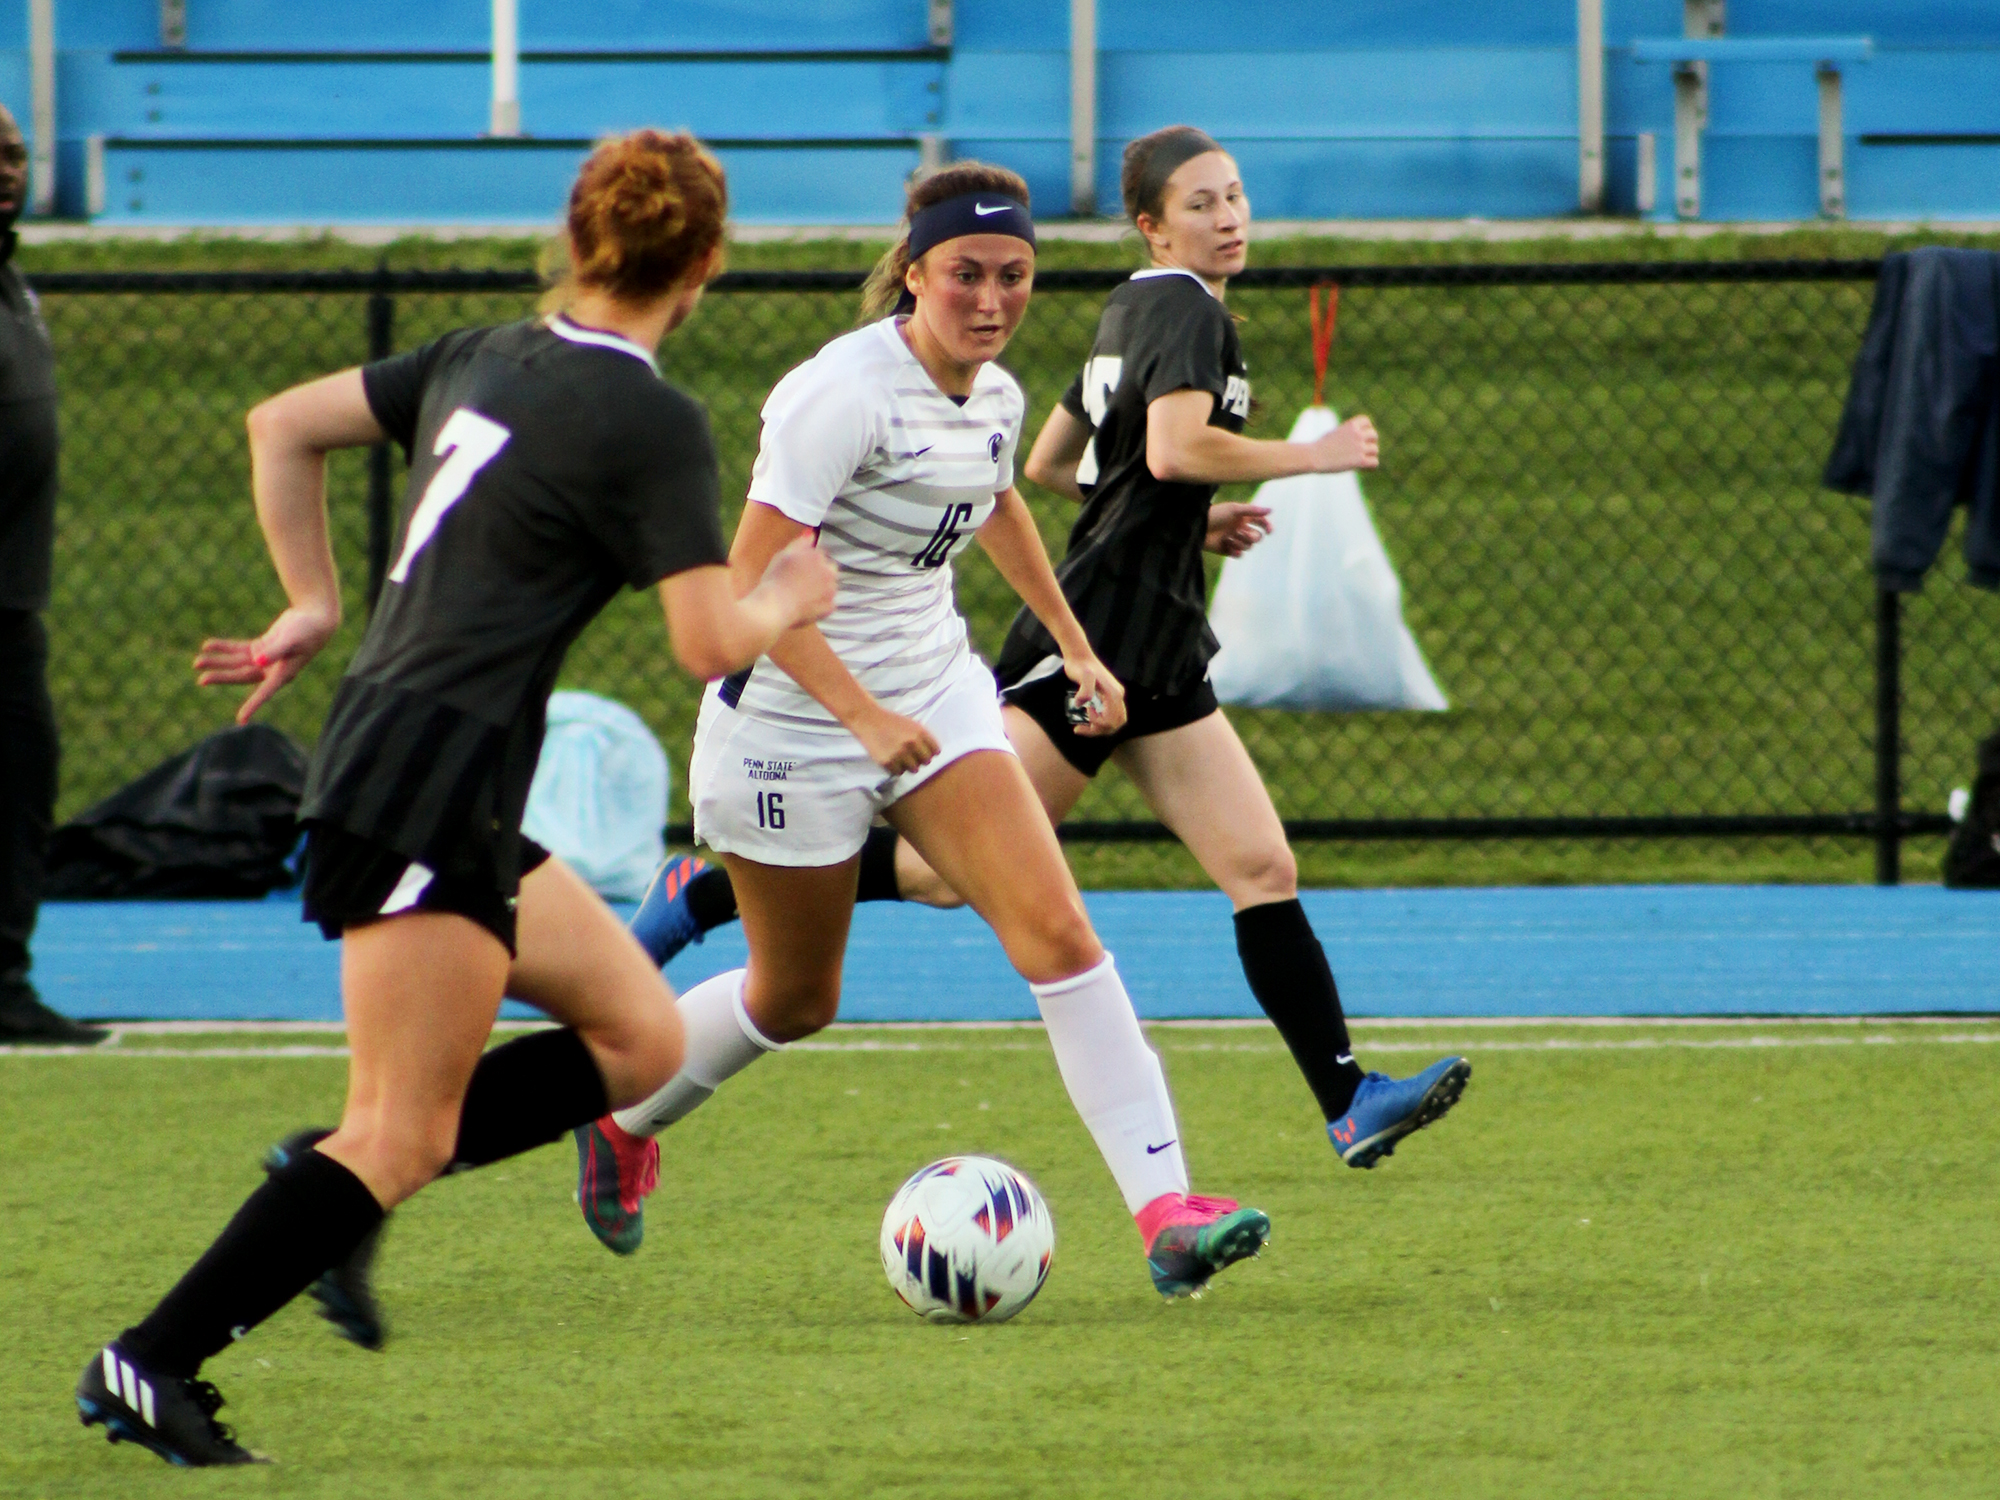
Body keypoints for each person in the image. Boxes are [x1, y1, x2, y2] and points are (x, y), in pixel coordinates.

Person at [75, 129, 837, 1467]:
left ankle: (333, 1171)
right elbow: (712, 642)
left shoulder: (485, 350)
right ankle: (149, 1360)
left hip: (442, 773)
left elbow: (281, 425)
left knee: (643, 1041)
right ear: (706, 265)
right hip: (421, 780)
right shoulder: (651, 416)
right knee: (403, 1132)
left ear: (578, 232)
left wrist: (314, 600)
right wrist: (790, 593)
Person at [630, 127, 1470, 1170]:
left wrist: (1179, 523)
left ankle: (1342, 1101)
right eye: (1202, 203)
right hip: (1110, 626)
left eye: (1235, 197)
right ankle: (708, 895)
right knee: (955, 882)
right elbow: (1166, 450)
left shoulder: (1121, 314)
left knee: (1258, 863)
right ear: (1151, 224)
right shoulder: (1176, 310)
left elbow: (1045, 467)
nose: (1229, 217)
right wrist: (1312, 455)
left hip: (1148, 637)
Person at [574, 161, 1271, 1302]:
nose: (989, 300)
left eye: (1013, 276)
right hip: (789, 725)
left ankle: (1165, 1211)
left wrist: (1074, 647)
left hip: (932, 690)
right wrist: (858, 714)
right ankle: (622, 1117)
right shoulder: (837, 394)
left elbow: (994, 500)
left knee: (1058, 935)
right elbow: (748, 580)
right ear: (911, 274)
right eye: (963, 276)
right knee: (794, 999)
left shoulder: (990, 393)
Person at [0, 103, 106, 1047]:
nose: (6, 168)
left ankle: (4, 982)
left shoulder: (14, 280)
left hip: (11, 605)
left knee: (23, 786)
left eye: (17, 152)